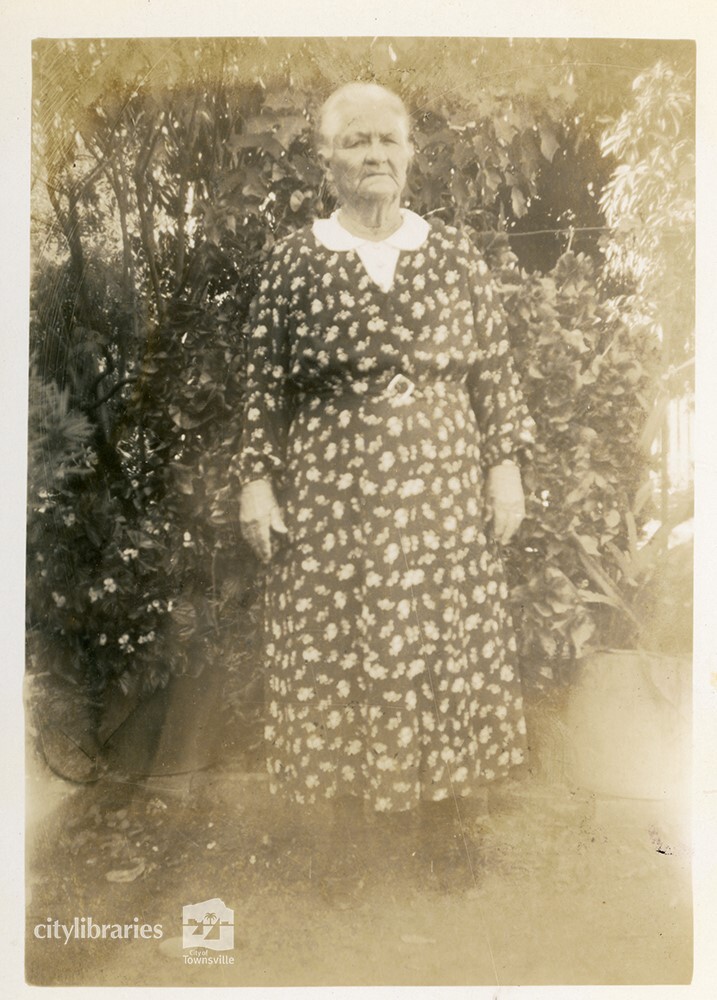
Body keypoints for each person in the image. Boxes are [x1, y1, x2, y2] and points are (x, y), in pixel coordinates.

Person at [233, 81, 535, 896]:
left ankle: (446, 829)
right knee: (334, 647)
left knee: (441, 643)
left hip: (440, 490)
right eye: (355, 141)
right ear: (325, 160)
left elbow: (493, 372)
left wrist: (503, 466)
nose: (374, 154)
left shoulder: (453, 254)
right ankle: (343, 840)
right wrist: (255, 482)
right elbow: (261, 383)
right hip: (334, 493)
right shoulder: (295, 259)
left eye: (387, 140)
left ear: (409, 153)